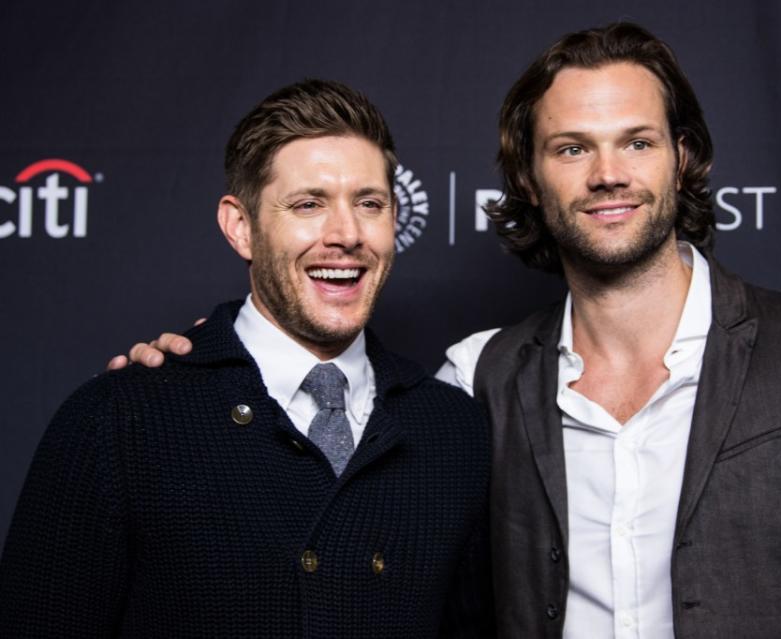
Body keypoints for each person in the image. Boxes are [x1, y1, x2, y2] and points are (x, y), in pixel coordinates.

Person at [108, 23, 781, 639]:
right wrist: (204, 371)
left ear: (682, 159)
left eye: (636, 142)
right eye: (571, 148)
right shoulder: (466, 382)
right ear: (529, 176)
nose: (609, 173)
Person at [0, 79, 493, 638]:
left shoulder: (454, 429)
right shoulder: (119, 421)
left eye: (369, 204)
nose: (347, 234)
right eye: (309, 204)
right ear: (242, 227)